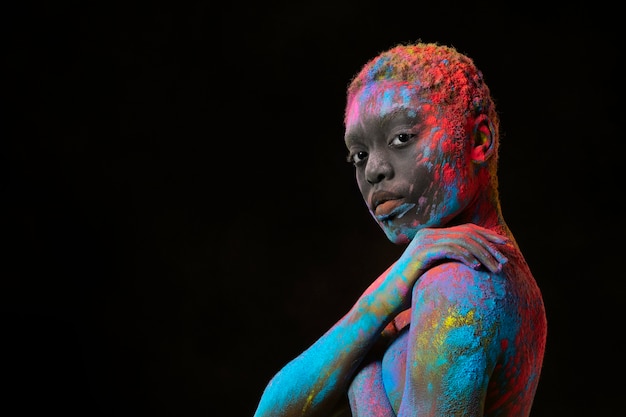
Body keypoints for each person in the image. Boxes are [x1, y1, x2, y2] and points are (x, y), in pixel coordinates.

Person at [253, 41, 547, 417]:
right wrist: (386, 292)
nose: (373, 170)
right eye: (359, 155)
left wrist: (364, 379)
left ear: (478, 140)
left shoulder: (462, 284)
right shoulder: (444, 275)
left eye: (401, 139)